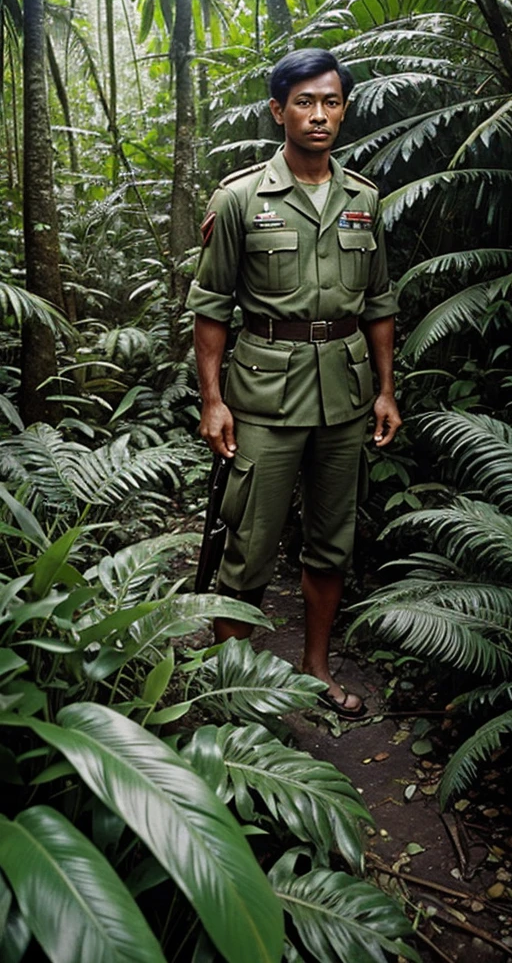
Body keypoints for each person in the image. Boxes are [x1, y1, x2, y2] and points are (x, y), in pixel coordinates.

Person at [187, 48, 401, 719]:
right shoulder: (242, 198)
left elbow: (380, 302)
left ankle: (314, 671)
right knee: (246, 549)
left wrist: (386, 390)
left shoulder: (363, 198)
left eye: (331, 101)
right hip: (265, 400)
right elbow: (212, 305)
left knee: (331, 543)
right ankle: (233, 698)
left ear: (344, 108)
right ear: (278, 110)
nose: (319, 115)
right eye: (304, 102)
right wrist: (213, 401)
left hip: (343, 394)